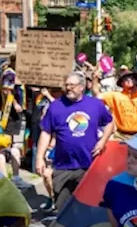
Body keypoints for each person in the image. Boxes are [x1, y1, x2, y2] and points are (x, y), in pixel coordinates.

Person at [36, 72, 114, 211]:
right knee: (63, 207)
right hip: (63, 166)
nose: (68, 88)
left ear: (82, 87)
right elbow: (46, 132)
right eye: (66, 85)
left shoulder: (95, 105)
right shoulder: (55, 106)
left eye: (72, 85)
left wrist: (102, 141)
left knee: (89, 207)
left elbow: (109, 123)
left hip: (89, 164)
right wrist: (39, 158)